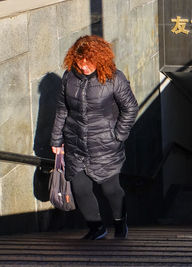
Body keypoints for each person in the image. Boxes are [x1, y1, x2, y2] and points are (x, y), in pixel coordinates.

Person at [50, 35, 139, 240]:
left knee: (111, 190)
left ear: (100, 59)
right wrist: (56, 140)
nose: (84, 67)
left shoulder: (114, 78)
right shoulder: (68, 77)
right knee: (80, 189)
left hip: (105, 145)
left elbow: (130, 108)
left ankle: (120, 222)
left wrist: (118, 135)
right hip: (75, 143)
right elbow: (62, 109)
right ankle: (96, 228)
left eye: (88, 62)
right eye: (80, 62)